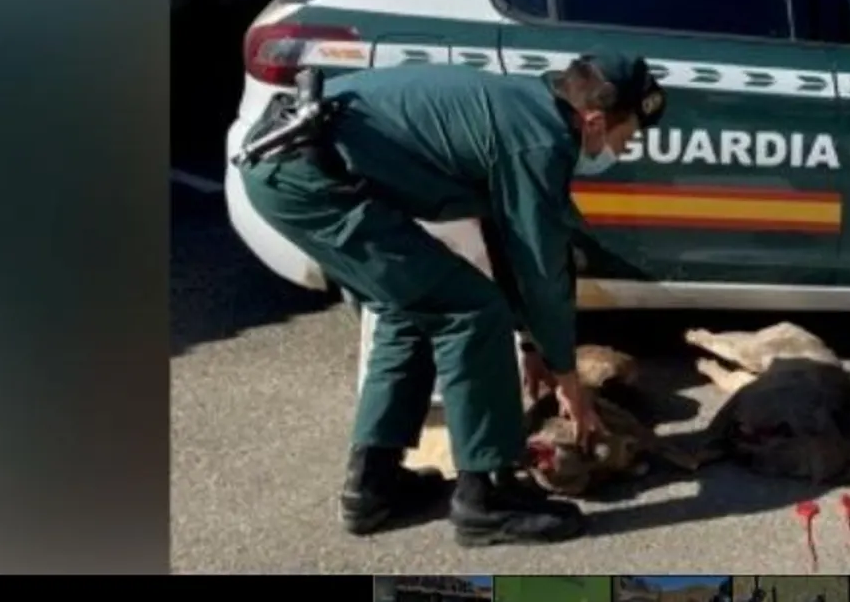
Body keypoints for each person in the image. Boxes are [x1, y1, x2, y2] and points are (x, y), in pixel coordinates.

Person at [237, 51, 667, 545]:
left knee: (410, 310)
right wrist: (568, 381)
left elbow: (509, 243)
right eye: (626, 135)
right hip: (310, 179)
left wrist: (533, 345)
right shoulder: (539, 142)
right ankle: (486, 499)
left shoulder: (530, 111)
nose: (624, 147)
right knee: (470, 311)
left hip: (294, 169)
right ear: (594, 121)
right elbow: (541, 270)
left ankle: (373, 488)